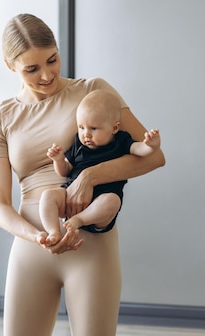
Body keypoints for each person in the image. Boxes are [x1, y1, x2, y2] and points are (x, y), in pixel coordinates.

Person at [0, 13, 174, 336]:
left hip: (90, 243)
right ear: (10, 67)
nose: (47, 75)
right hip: (34, 247)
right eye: (31, 68)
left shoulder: (92, 92)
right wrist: (36, 235)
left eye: (52, 60)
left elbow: (153, 158)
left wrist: (91, 176)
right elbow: (0, 206)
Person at [39, 89, 158, 244]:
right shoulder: (78, 144)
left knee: (112, 201)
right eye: (81, 127)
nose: (86, 134)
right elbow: (64, 172)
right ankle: (53, 231)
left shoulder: (121, 141)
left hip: (100, 208)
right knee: (48, 195)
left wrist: (151, 146)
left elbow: (140, 150)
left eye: (93, 128)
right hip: (71, 197)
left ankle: (79, 220)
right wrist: (59, 160)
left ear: (114, 128)